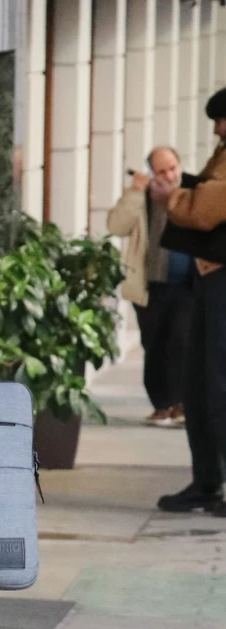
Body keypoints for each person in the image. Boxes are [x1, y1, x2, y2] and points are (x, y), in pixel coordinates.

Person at [158, 89, 226, 513]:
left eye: (220, 120)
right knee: (199, 384)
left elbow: (204, 210)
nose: (216, 129)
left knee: (218, 383)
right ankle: (206, 481)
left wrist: (174, 196)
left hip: (221, 279)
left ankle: (211, 480)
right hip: (209, 277)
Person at [107, 146, 193, 426]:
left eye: (172, 168)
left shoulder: (193, 192)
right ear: (152, 172)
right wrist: (134, 192)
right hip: (151, 285)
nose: (169, 176)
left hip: (188, 285)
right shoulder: (143, 197)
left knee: (182, 341)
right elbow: (116, 226)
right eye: (161, 171)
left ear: (180, 166)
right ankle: (161, 405)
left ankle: (181, 404)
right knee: (154, 344)